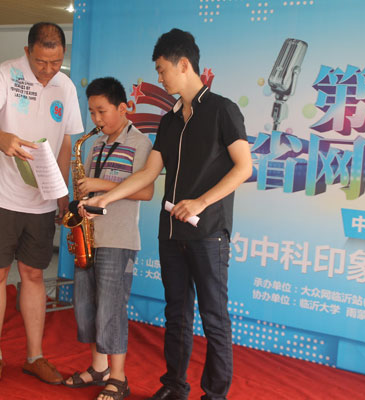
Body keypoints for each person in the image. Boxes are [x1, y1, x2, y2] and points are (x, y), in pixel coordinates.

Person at [80, 29, 252, 400]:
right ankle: (175, 386)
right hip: (171, 235)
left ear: (183, 64)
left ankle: (215, 394)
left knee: (213, 316)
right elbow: (147, 174)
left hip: (208, 233)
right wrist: (104, 199)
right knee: (176, 313)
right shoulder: (169, 121)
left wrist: (202, 202)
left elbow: (244, 167)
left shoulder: (222, 110)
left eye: (162, 70)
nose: (159, 78)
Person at [0, 22, 84, 386]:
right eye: (41, 62)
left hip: (40, 200)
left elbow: (65, 143)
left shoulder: (66, 87)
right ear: (27, 52)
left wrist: (61, 193)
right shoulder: (4, 74)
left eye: (56, 62)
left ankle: (34, 356)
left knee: (34, 275)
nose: (48, 70)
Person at [63, 77, 154, 400]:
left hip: (119, 239)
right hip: (90, 237)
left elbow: (145, 191)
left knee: (111, 309)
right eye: (92, 112)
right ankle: (98, 368)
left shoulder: (140, 143)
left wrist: (99, 185)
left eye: (102, 111)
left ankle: (118, 377)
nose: (97, 119)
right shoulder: (96, 144)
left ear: (123, 108)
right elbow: (86, 187)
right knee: (86, 306)